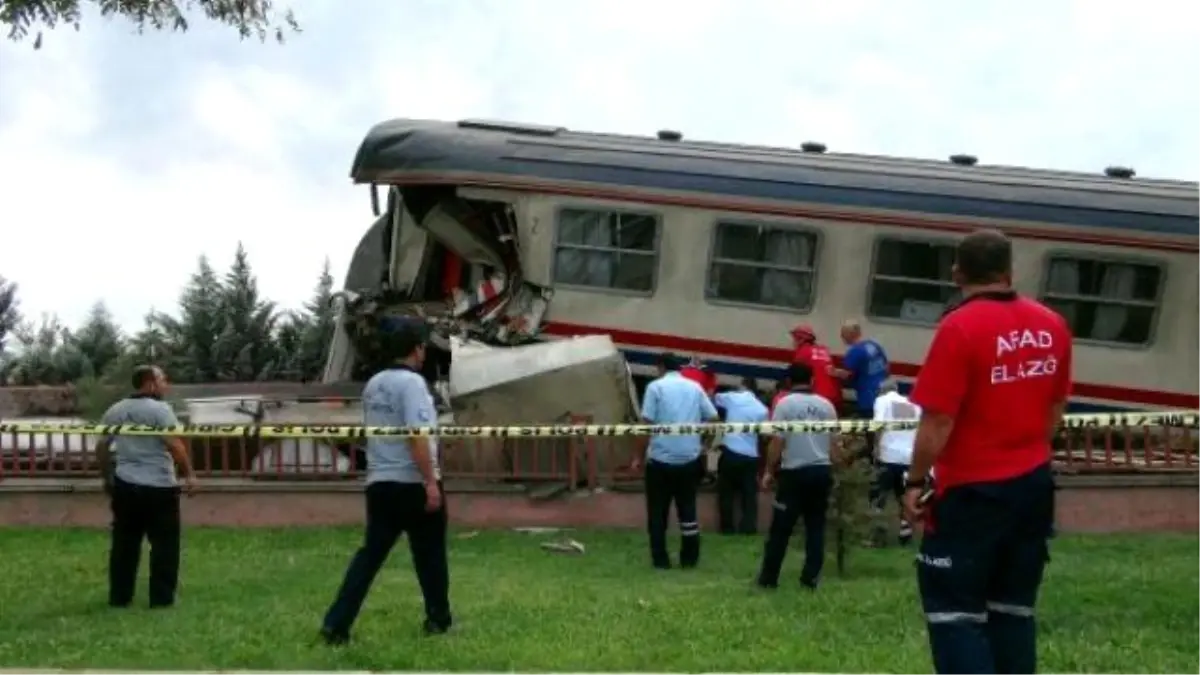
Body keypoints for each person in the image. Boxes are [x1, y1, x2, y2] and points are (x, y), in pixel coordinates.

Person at [903, 229, 1071, 675]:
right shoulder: (1052, 324)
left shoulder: (958, 327)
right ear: (1009, 271)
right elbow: (1056, 408)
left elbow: (938, 420)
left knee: (954, 613)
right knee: (1013, 610)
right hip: (1033, 487)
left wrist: (915, 482)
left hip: (972, 493)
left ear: (957, 273)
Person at [321, 316, 452, 644]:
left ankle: (336, 624)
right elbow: (417, 436)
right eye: (423, 347)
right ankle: (438, 621)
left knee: (369, 558)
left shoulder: (374, 384)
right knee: (430, 555)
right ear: (417, 349)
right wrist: (430, 482)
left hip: (380, 483)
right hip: (412, 483)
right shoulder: (413, 385)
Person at [95, 365, 196, 609]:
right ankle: (161, 600)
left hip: (125, 485)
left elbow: (101, 447)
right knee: (165, 545)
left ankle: (120, 598)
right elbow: (175, 445)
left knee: (124, 545)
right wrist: (190, 474)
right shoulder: (161, 410)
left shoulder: (115, 410)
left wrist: (107, 476)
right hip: (159, 487)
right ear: (150, 383)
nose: (166, 385)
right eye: (163, 380)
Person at [755, 362, 839, 591]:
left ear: (789, 382)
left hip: (794, 474)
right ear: (812, 380)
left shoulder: (785, 405)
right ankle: (810, 580)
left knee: (781, 529)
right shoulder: (826, 405)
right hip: (821, 472)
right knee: (816, 528)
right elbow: (834, 445)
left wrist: (769, 471)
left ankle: (768, 579)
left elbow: (777, 442)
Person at [631, 352, 719, 569]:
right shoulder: (695, 387)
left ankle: (660, 560)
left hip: (660, 460)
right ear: (678, 368)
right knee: (688, 511)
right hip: (689, 459)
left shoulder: (655, 388)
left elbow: (646, 424)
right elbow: (714, 418)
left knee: (657, 513)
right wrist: (703, 444)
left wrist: (637, 457)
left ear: (660, 367)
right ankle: (689, 560)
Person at [867, 379, 920, 547]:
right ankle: (905, 534)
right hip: (909, 458)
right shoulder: (914, 404)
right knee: (903, 497)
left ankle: (877, 535)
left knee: (878, 496)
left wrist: (875, 447)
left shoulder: (882, 401)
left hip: (888, 456)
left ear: (881, 391)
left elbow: (879, 424)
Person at [713, 377, 769, 535]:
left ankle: (727, 528)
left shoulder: (732, 397)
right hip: (750, 456)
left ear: (743, 386)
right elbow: (765, 436)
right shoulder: (762, 409)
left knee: (726, 493)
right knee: (749, 495)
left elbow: (714, 398)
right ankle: (748, 528)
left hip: (730, 452)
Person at [833, 319, 889, 419]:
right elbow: (887, 368)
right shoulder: (874, 345)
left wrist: (833, 372)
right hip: (883, 392)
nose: (841, 337)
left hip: (867, 397)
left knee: (867, 425)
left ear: (849, 334)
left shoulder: (855, 351)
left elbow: (847, 375)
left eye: (843, 334)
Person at [789, 324, 844, 412]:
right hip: (835, 397)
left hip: (818, 398)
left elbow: (795, 376)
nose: (793, 342)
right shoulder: (824, 350)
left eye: (794, 339)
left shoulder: (803, 352)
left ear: (800, 339)